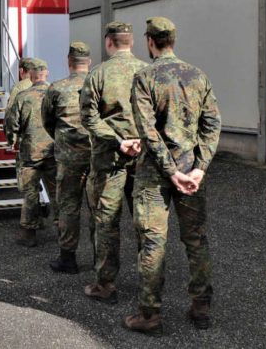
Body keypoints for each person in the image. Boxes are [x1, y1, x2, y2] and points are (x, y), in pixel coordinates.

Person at [122, 17, 221, 337]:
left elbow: (148, 132)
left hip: (154, 175)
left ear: (150, 41)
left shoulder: (145, 77)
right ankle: (201, 307)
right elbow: (212, 126)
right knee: (196, 240)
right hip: (191, 173)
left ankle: (150, 314)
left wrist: (170, 171)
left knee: (152, 243)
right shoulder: (197, 76)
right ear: (173, 41)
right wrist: (198, 169)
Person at [79, 22, 148, 303]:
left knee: (107, 221)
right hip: (145, 156)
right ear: (131, 43)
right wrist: (142, 140)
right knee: (144, 221)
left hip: (110, 159)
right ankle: (149, 286)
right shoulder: (147, 71)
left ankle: (105, 286)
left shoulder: (98, 73)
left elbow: (89, 118)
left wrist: (118, 140)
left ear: (109, 42)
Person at [41, 41, 92, 274]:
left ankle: (68, 259)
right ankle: (101, 259)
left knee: (69, 207)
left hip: (69, 157)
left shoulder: (57, 88)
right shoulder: (98, 83)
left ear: (69, 62)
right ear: (88, 62)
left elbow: (48, 121)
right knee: (100, 208)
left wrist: (63, 139)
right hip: (96, 155)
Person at [5, 59, 57, 247]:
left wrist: (12, 140)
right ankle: (64, 230)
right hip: (54, 150)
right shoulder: (57, 93)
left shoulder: (23, 95)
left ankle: (29, 234)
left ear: (30, 76)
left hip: (30, 152)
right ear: (46, 74)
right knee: (57, 191)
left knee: (30, 191)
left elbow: (12, 123)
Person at [4, 57, 35, 145]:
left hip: (26, 141)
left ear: (21, 70)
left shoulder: (18, 88)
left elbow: (10, 116)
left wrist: (11, 139)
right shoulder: (45, 86)